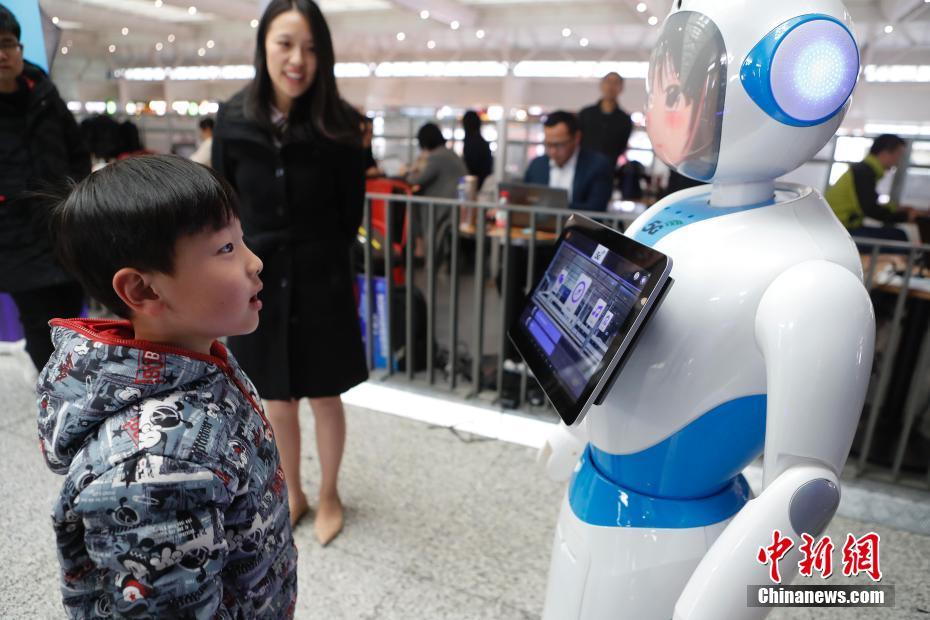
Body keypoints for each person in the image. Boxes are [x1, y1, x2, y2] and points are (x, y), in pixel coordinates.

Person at [37, 155, 297, 618]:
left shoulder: (198, 356)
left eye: (241, 239)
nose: (254, 262)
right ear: (144, 291)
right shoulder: (156, 471)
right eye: (225, 249)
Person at [212, 0, 368, 544]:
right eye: (285, 44)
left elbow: (351, 216)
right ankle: (292, 491)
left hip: (322, 279)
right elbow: (224, 209)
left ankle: (328, 494)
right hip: (260, 282)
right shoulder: (233, 119)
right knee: (276, 397)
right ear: (264, 47)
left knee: (326, 395)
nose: (297, 59)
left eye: (309, 46)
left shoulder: (342, 127)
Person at [0, 4, 88, 371]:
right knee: (39, 327)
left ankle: (83, 396)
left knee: (74, 320)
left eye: (7, 43)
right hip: (14, 239)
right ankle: (57, 399)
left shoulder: (46, 96)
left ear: (20, 48)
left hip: (63, 230)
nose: (1, 54)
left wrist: (78, 198)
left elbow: (77, 151)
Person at [825, 134, 915, 235]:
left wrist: (896, 209)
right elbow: (871, 209)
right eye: (898, 155)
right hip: (839, 230)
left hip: (839, 226)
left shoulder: (865, 169)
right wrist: (906, 216)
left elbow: (869, 203)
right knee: (900, 235)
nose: (898, 161)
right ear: (885, 153)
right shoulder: (864, 172)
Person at [524, 110, 613, 212]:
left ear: (576, 138)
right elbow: (525, 200)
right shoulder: (537, 165)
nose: (553, 151)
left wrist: (552, 208)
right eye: (548, 144)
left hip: (579, 228)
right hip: (539, 227)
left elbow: (596, 209)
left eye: (560, 144)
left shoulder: (597, 165)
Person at [578, 72, 633, 170]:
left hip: (608, 169)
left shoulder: (625, 120)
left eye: (616, 83)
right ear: (601, 85)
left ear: (621, 88)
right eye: (608, 82)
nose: (611, 86)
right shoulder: (586, 114)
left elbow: (622, 146)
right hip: (583, 167)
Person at [462, 110, 493, 191]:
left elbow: (470, 168)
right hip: (482, 185)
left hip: (475, 186)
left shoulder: (471, 142)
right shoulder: (481, 142)